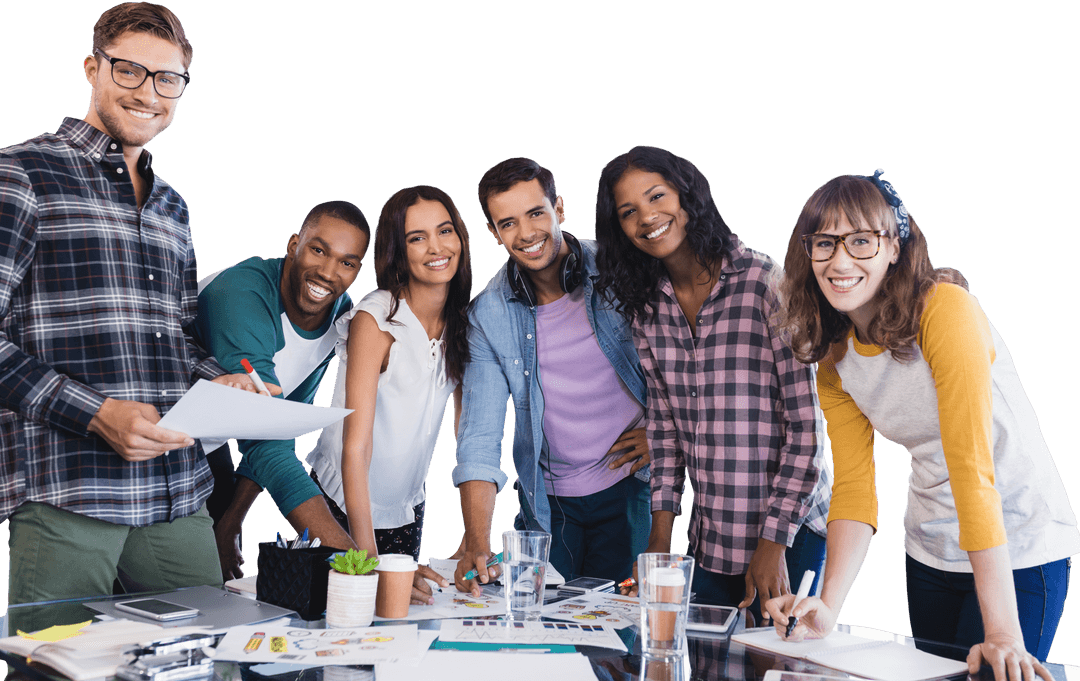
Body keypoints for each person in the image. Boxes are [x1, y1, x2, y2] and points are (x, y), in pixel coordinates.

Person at [764, 170, 1079, 681]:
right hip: (930, 548)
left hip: (1018, 543)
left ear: (895, 247)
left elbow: (970, 465)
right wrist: (827, 606)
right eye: (824, 243)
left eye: (861, 241)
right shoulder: (834, 357)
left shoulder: (945, 311)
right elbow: (855, 488)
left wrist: (1002, 632)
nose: (840, 261)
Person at [0, 2, 257, 616]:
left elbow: (177, 338)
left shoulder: (173, 206)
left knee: (210, 650)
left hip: (177, 491)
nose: (149, 93)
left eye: (167, 79)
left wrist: (220, 381)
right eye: (129, 70)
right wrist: (96, 415)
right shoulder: (21, 174)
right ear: (93, 68)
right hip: (70, 491)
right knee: (56, 658)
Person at [594, 146, 832, 620]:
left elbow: (806, 429)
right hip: (712, 538)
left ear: (687, 196)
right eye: (628, 211)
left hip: (790, 535)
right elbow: (664, 430)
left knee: (777, 657)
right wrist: (659, 539)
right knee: (700, 654)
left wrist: (773, 543)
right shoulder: (647, 308)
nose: (647, 217)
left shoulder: (764, 283)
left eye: (657, 196)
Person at [453, 157, 651, 594]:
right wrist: (476, 541)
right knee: (540, 622)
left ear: (559, 209)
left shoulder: (622, 267)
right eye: (508, 223)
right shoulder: (487, 314)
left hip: (628, 487)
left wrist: (662, 432)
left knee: (621, 624)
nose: (526, 233)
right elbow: (480, 436)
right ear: (494, 233)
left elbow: (689, 362)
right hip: (548, 501)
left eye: (536, 213)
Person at [307, 185, 471, 604]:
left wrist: (473, 536)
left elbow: (467, 435)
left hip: (405, 509)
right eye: (417, 238)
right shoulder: (376, 318)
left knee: (398, 623)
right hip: (341, 505)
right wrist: (368, 559)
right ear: (398, 250)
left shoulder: (463, 324)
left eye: (445, 230)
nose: (436, 247)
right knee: (341, 619)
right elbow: (355, 448)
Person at [195, 200, 371, 579]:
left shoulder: (339, 316)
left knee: (217, 580)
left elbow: (277, 432)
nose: (328, 272)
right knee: (180, 581)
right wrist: (354, 560)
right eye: (318, 250)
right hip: (141, 442)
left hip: (206, 439)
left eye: (347, 262)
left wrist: (230, 524)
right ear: (293, 245)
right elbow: (265, 430)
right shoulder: (241, 293)